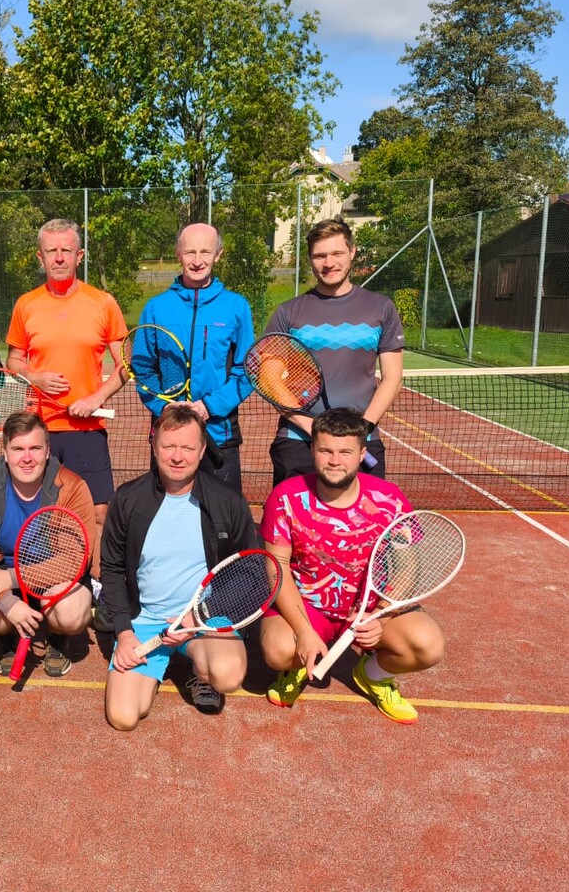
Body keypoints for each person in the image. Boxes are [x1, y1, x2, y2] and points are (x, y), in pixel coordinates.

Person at [260, 409, 447, 724]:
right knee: (278, 650)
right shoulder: (285, 497)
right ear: (312, 450)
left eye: (345, 452)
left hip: (369, 610)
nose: (335, 461)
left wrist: (383, 615)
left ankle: (373, 675)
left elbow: (406, 566)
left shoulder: (390, 499)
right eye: (326, 451)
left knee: (428, 645)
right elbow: (276, 567)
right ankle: (295, 668)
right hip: (309, 606)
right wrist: (304, 631)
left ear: (361, 454)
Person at [101, 405, 260, 730]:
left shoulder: (227, 501)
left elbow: (253, 571)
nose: (177, 456)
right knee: (124, 717)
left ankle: (197, 665)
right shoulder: (127, 499)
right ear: (153, 446)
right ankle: (156, 668)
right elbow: (112, 569)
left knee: (227, 675)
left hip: (204, 619)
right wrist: (124, 632)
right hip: (146, 622)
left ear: (201, 451)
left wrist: (199, 615)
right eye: (168, 446)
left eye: (187, 448)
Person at [6, 218, 127, 573]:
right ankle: (50, 581)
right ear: (40, 257)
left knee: (98, 512)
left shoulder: (102, 303)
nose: (59, 257)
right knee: (45, 513)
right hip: (39, 430)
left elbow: (127, 364)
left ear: (79, 256)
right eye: (51, 251)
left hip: (87, 431)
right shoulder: (26, 305)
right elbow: (14, 360)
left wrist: (96, 398)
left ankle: (98, 586)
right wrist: (34, 376)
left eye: (66, 250)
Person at [0, 411, 97, 677]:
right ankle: (6, 634)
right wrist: (6, 600)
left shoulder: (72, 487)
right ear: (5, 453)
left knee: (71, 614)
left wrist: (12, 578)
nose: (27, 458)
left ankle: (57, 635)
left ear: (48, 451)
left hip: (53, 578)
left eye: (35, 448)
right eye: (18, 449)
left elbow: (75, 560)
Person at [262, 215, 404, 485]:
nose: (329, 263)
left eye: (337, 253)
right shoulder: (288, 313)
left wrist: (361, 430)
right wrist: (312, 428)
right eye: (320, 256)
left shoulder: (381, 308)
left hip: (362, 443)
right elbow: (269, 381)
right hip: (298, 442)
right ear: (310, 259)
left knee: (368, 514)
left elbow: (393, 378)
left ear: (352, 252)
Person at [134, 222, 254, 493]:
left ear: (218, 255)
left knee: (223, 514)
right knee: (166, 511)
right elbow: (142, 368)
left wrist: (209, 406)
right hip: (169, 436)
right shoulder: (155, 308)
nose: (197, 261)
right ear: (178, 254)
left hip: (219, 435)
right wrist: (163, 407)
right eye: (190, 252)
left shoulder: (236, 307)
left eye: (205, 252)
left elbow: (247, 371)